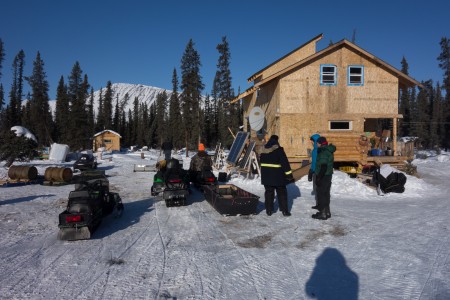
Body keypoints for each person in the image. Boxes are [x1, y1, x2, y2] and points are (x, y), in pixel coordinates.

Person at [260, 135, 294, 217]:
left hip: (266, 177)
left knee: (269, 193)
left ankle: (269, 210)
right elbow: (285, 163)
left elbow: (261, 162)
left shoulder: (263, 150)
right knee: (282, 193)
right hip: (278, 177)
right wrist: (289, 175)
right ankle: (285, 211)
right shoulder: (279, 150)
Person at [312, 136, 336, 220]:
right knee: (326, 193)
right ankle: (327, 211)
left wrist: (319, 177)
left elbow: (323, 166)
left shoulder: (323, 151)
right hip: (328, 175)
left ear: (320, 143)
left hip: (324, 175)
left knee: (321, 194)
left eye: (317, 143)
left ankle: (323, 213)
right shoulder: (328, 150)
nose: (316, 144)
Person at [309, 134, 321, 208]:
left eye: (312, 141)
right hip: (314, 171)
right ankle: (318, 203)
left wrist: (313, 170)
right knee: (316, 188)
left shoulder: (318, 151)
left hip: (318, 172)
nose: (311, 143)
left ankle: (320, 204)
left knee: (318, 189)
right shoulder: (314, 150)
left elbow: (317, 163)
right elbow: (313, 162)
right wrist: (311, 170)